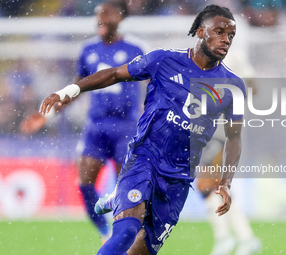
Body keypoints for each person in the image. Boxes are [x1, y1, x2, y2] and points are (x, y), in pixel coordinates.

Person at [39, 4, 246, 255]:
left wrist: (225, 182)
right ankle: (124, 194)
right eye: (220, 32)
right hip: (144, 158)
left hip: (178, 178)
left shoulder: (232, 86)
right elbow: (115, 74)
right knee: (125, 233)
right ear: (201, 31)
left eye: (231, 36)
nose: (226, 40)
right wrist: (69, 90)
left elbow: (234, 137)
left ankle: (118, 196)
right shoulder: (164, 60)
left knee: (140, 252)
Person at [20, 0, 145, 242]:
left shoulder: (136, 48)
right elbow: (76, 88)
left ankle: (129, 235)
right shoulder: (89, 50)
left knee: (126, 187)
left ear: (119, 17)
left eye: (106, 14)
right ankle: (104, 232)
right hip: (96, 126)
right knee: (85, 182)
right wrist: (46, 114)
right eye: (98, 15)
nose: (100, 19)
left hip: (126, 126)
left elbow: (152, 84)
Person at [197, 50, 261, 255]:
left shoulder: (233, 58)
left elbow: (253, 88)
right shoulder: (199, 59)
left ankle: (225, 238)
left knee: (205, 185)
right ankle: (245, 238)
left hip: (222, 132)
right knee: (217, 187)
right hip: (207, 131)